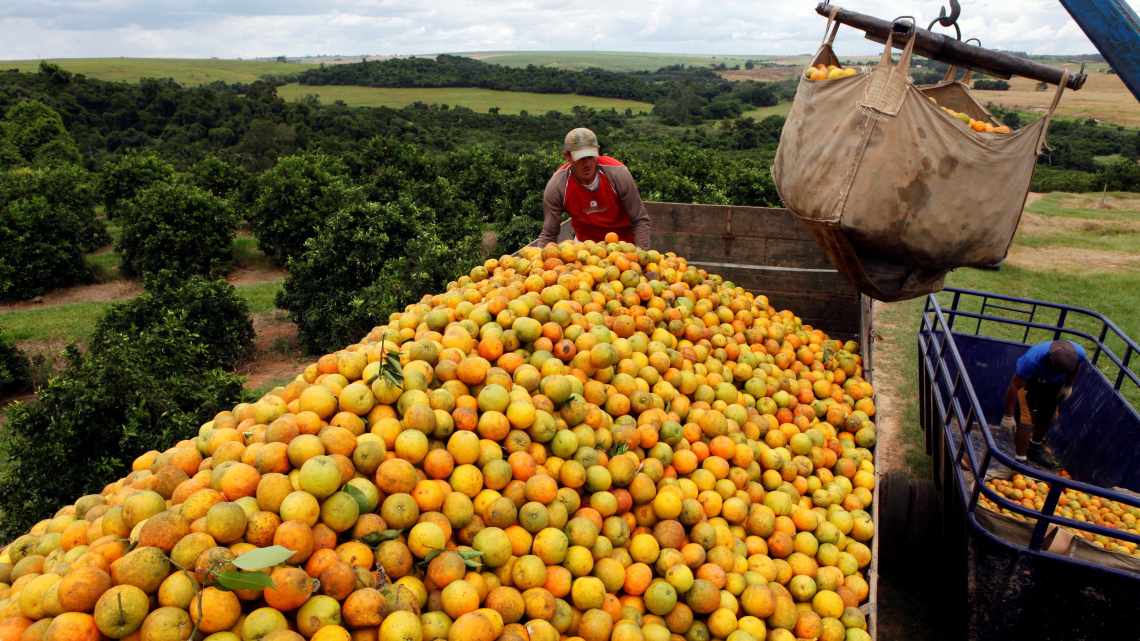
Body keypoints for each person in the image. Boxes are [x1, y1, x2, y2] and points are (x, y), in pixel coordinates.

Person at [532, 127, 651, 248]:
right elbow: (549, 234)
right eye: (582, 158)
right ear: (568, 156)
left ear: (597, 152)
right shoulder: (558, 185)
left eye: (591, 156)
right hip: (585, 248)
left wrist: (641, 254)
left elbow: (639, 219)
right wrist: (540, 262)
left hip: (622, 245)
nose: (587, 164)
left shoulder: (617, 173)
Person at [1001, 339, 1087, 469]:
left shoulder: (1079, 353)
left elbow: (1076, 368)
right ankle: (1020, 460)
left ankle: (1034, 448)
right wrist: (1008, 415)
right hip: (1031, 382)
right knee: (1026, 419)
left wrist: (1068, 385)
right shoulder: (1031, 360)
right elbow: (1015, 385)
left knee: (1048, 414)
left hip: (1055, 384)